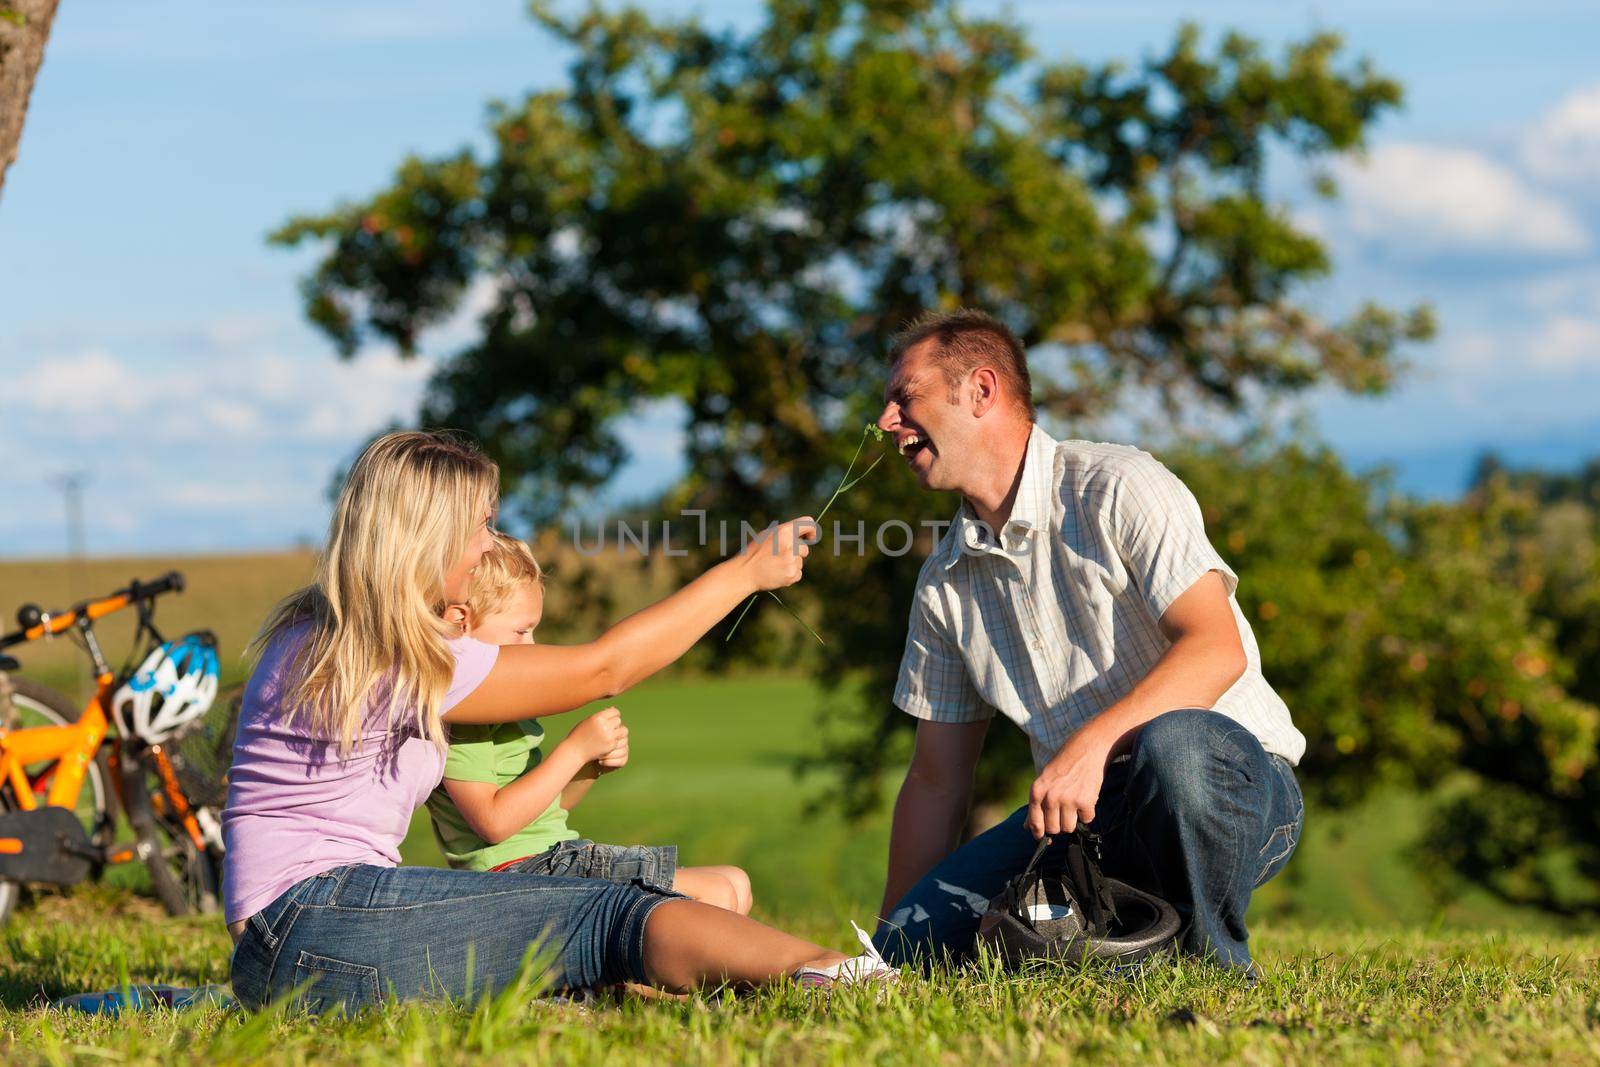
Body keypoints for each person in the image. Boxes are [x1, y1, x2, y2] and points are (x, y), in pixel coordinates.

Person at [223, 430, 891, 1012]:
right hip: (315, 921)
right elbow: (605, 669)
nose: (488, 546)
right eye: (481, 525)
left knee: (578, 927)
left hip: (299, 935)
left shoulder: (331, 633)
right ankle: (833, 972)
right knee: (605, 912)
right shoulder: (390, 653)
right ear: (429, 539)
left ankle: (788, 976)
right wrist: (745, 572)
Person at [870, 309, 1305, 972]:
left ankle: (1212, 972)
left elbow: (1216, 648)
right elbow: (936, 779)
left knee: (1176, 746)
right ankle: (1119, 943)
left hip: (1232, 785)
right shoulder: (942, 583)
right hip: (1085, 829)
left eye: (905, 398)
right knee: (914, 945)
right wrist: (887, 947)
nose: (887, 422)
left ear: (981, 390)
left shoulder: (1120, 486)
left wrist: (1092, 744)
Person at [426, 532, 752, 913]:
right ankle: (638, 969)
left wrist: (588, 768)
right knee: (716, 894)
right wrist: (573, 750)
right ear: (459, 622)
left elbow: (545, 810)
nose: (532, 647)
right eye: (521, 631)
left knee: (736, 881)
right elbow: (493, 823)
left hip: (551, 856)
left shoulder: (506, 709)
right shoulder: (464, 717)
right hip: (517, 872)